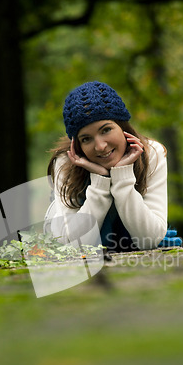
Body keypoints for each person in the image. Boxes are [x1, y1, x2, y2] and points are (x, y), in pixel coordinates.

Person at [44, 81, 168, 252]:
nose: (100, 146)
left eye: (106, 130)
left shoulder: (152, 153)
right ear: (77, 145)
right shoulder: (66, 163)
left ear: (122, 126)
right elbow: (75, 247)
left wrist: (121, 177)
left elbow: (149, 239)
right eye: (86, 139)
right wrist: (100, 184)